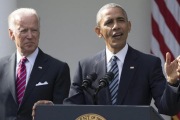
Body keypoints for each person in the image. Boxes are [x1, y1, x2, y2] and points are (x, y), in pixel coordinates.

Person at [32, 3, 180, 117]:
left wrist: (172, 82)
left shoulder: (148, 63)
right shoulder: (86, 66)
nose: (116, 26)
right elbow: (72, 107)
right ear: (99, 32)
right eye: (109, 22)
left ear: (128, 26)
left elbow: (168, 109)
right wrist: (51, 109)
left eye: (120, 20)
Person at [0, 8, 71, 120]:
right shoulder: (1, 67)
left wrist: (51, 108)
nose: (30, 36)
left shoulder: (58, 68)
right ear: (11, 34)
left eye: (34, 30)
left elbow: (63, 111)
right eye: (23, 31)